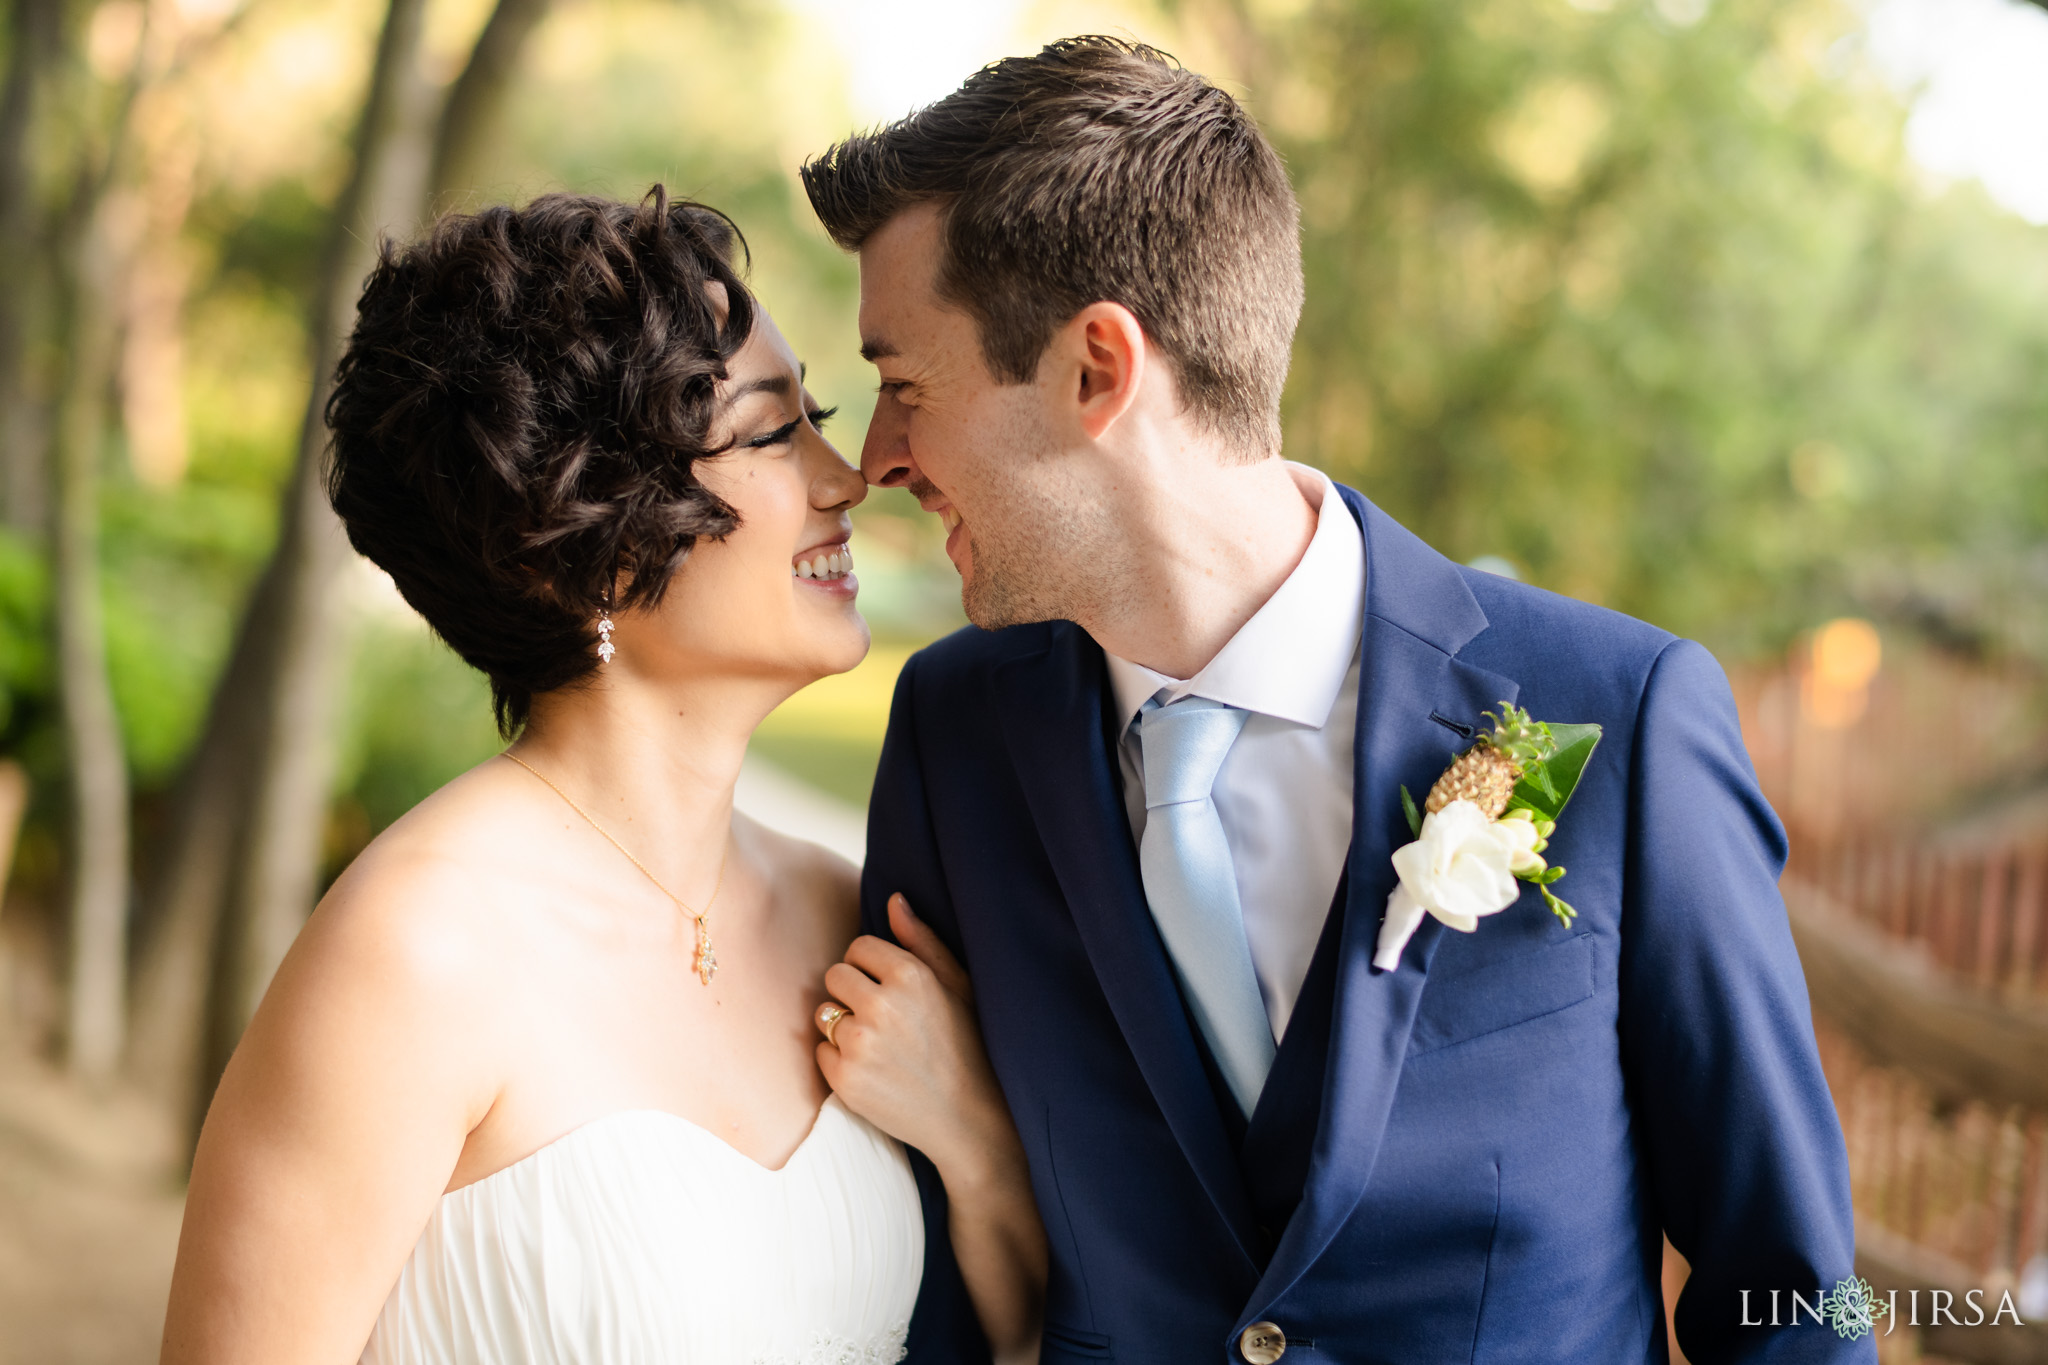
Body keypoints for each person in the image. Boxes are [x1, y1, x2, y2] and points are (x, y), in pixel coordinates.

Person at [802, 36, 1869, 1364]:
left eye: (905, 386)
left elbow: (1798, 1296)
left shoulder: (1619, 718)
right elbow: (944, 1305)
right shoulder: (957, 738)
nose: (873, 459)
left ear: (1095, 370)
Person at [158, 190, 1045, 1365]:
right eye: (775, 433)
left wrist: (975, 1140)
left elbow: (1012, 1333)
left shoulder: (849, 915)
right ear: (597, 531)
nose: (846, 477)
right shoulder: (412, 956)